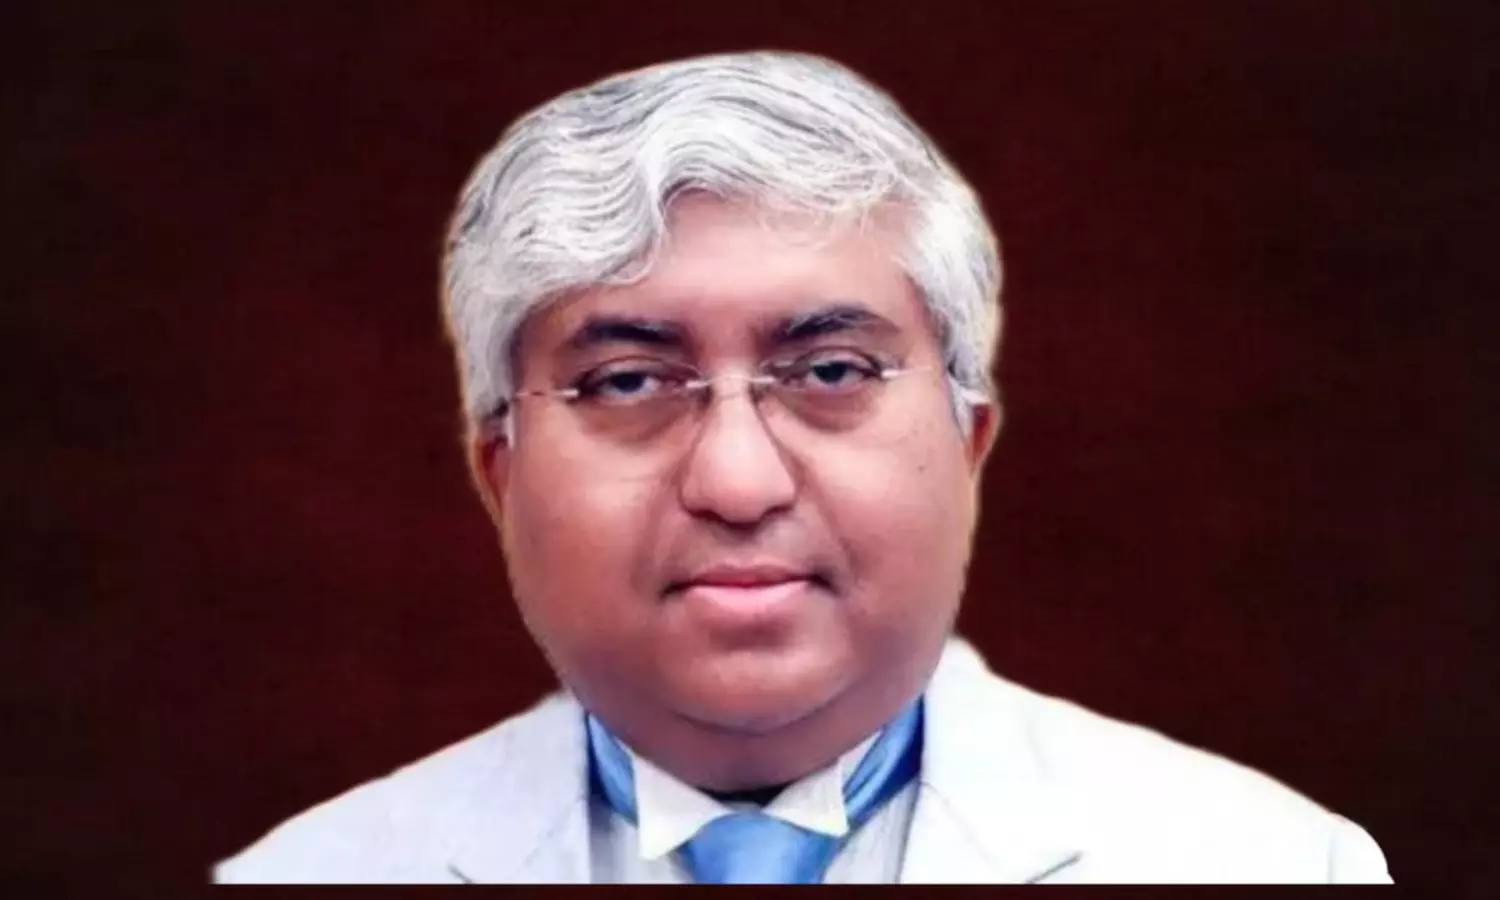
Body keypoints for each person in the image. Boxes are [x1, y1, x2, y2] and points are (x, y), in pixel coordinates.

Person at [214, 51, 1391, 884]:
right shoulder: (304, 876)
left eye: (830, 370)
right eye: (626, 383)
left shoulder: (1280, 866)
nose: (738, 483)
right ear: (499, 473)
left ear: (969, 443)